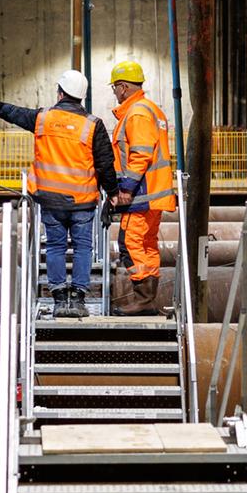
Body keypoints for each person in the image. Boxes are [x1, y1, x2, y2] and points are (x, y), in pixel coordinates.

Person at [0, 69, 117, 317]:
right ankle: (78, 299)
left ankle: (59, 299)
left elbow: (16, 114)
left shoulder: (43, 118)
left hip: (50, 199)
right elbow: (105, 163)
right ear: (81, 97)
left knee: (55, 246)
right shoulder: (93, 125)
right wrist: (113, 193)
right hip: (83, 201)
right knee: (84, 247)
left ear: (60, 92)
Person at [109, 59, 175, 315]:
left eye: (115, 87)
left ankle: (143, 298)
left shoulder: (136, 112)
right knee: (147, 244)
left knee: (129, 242)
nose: (114, 92)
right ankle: (147, 299)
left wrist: (125, 189)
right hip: (153, 193)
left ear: (123, 87)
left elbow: (140, 154)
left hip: (141, 193)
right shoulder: (152, 110)